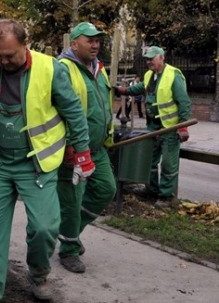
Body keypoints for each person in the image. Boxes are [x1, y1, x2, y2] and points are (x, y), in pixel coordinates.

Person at [0, 19, 92, 302]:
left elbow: (74, 112)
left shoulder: (49, 69)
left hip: (36, 165)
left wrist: (83, 154)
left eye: (10, 55)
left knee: (44, 227)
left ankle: (38, 276)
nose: (3, 61)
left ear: (24, 44)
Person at [56, 22, 116, 273]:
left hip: (97, 148)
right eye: (89, 40)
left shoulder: (99, 68)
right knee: (72, 200)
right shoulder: (62, 69)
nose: (95, 45)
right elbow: (59, 110)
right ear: (74, 43)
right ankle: (68, 251)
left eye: (97, 41)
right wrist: (70, 144)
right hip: (72, 150)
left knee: (106, 189)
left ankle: (69, 233)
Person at [116, 46, 191, 207]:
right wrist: (124, 90)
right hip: (153, 126)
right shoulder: (150, 75)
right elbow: (140, 88)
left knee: (168, 163)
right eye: (147, 59)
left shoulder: (173, 75)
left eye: (152, 58)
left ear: (162, 57)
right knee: (150, 160)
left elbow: (184, 102)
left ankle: (166, 196)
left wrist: (183, 126)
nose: (149, 62)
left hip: (169, 127)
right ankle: (151, 190)